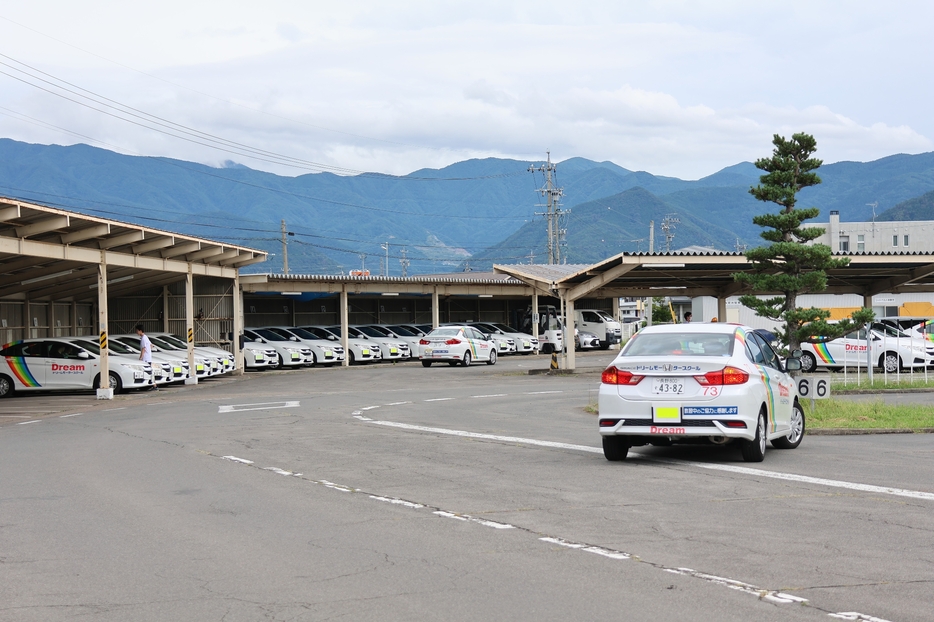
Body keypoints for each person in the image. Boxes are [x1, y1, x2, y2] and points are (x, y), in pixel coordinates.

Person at [136, 323, 157, 391]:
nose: (136, 332)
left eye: (137, 330)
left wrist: (141, 357)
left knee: (147, 372)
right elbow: (151, 345)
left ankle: (154, 386)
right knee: (149, 372)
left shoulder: (143, 339)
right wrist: (149, 351)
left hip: (146, 359)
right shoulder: (145, 337)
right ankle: (153, 385)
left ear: (140, 330)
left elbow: (143, 348)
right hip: (148, 357)